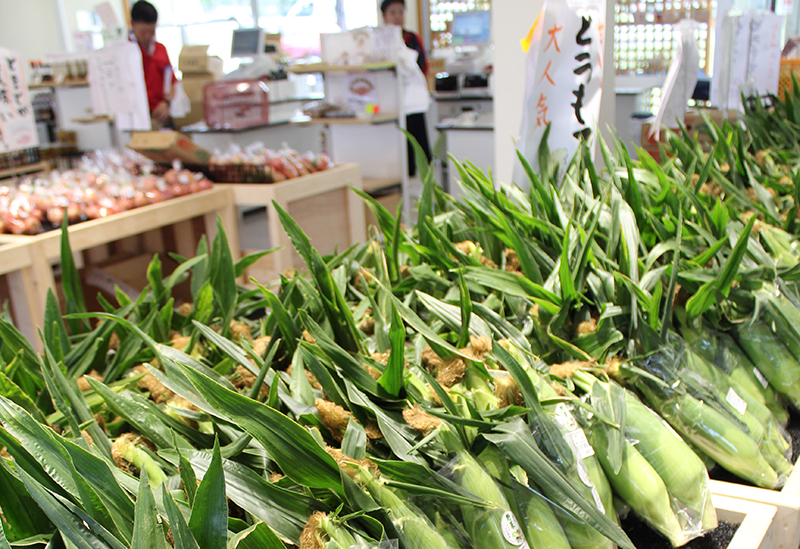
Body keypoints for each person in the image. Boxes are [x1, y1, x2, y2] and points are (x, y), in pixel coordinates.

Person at [381, 0, 431, 176]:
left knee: (419, 147)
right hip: (392, 103)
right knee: (402, 151)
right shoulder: (381, 41)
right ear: (384, 16)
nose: (397, 16)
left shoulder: (411, 38)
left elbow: (422, 66)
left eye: (401, 12)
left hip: (413, 101)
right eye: (392, 12)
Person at [130, 0, 177, 129]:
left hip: (162, 114)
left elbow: (172, 82)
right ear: (133, 25)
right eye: (143, 31)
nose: (148, 36)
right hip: (139, 119)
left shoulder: (160, 49)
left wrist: (166, 102)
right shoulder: (127, 52)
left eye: (152, 31)